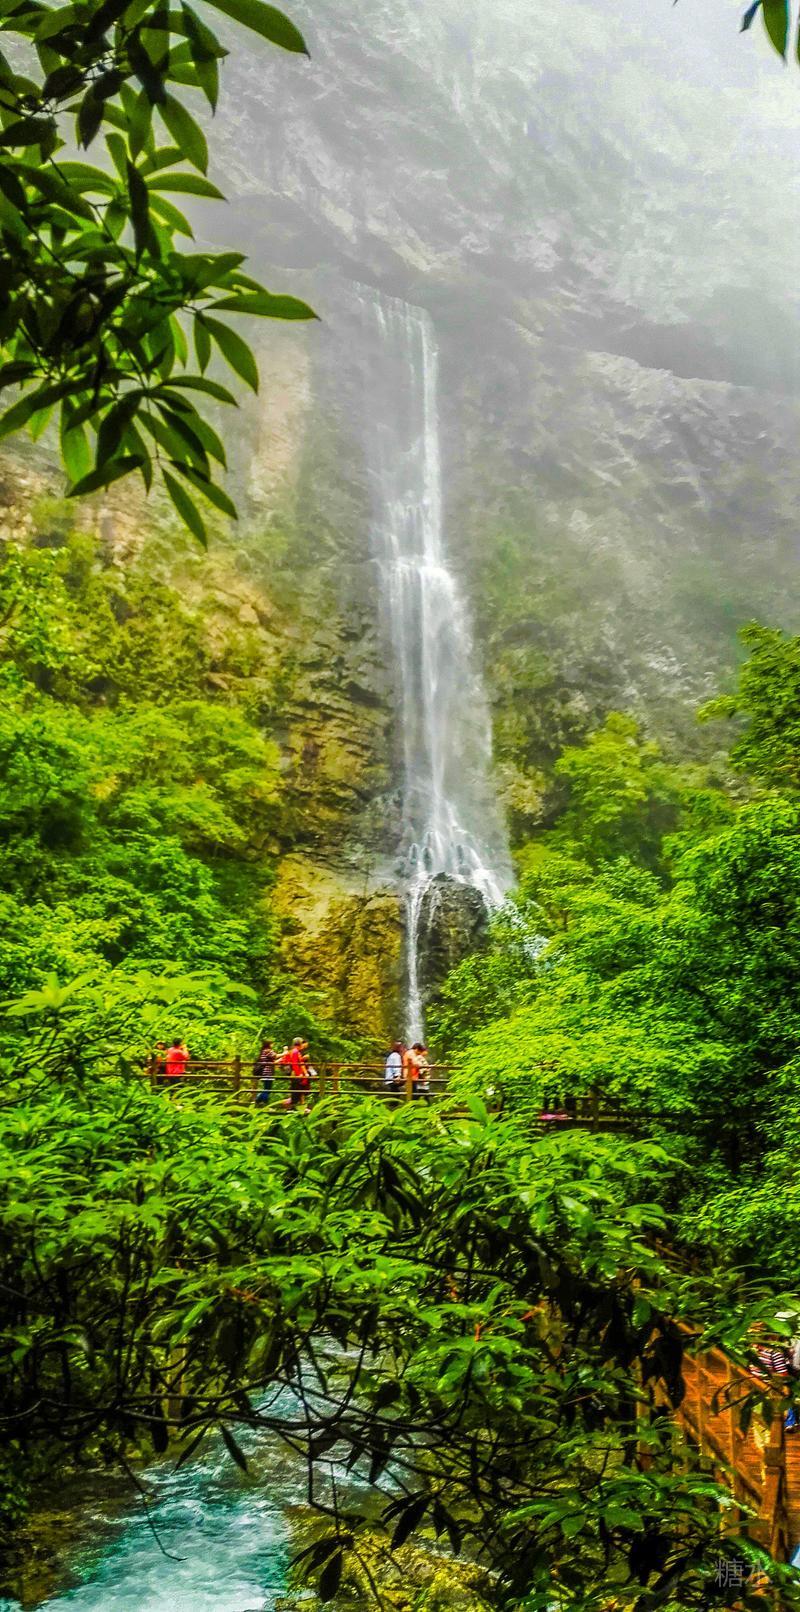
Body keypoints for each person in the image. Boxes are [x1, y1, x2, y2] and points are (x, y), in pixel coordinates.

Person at [279, 1037, 309, 1109]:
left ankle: (291, 1106)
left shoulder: (296, 1051)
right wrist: (299, 1074)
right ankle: (287, 1105)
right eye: (302, 1043)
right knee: (296, 1091)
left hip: (296, 1074)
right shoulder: (295, 1052)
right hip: (295, 1074)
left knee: (296, 1091)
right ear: (299, 1044)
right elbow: (295, 1064)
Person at [253, 1039, 276, 1107]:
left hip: (265, 1072)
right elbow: (275, 1056)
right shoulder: (267, 1051)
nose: (273, 1045)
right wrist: (285, 1052)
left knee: (267, 1088)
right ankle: (261, 1101)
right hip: (267, 1072)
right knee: (267, 1089)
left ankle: (259, 1101)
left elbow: (272, 1061)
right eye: (272, 1043)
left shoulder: (263, 1051)